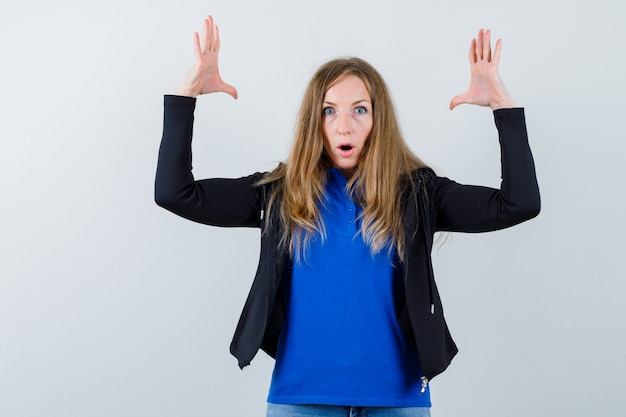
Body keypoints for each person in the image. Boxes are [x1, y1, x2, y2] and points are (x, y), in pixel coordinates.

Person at [155, 15, 540, 417]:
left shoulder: (417, 192)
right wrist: (185, 97)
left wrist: (503, 106)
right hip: (300, 398)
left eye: (359, 110)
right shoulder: (281, 193)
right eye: (328, 111)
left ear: (377, 120)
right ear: (313, 121)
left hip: (398, 401)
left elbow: (518, 204)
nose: (344, 125)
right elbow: (175, 193)